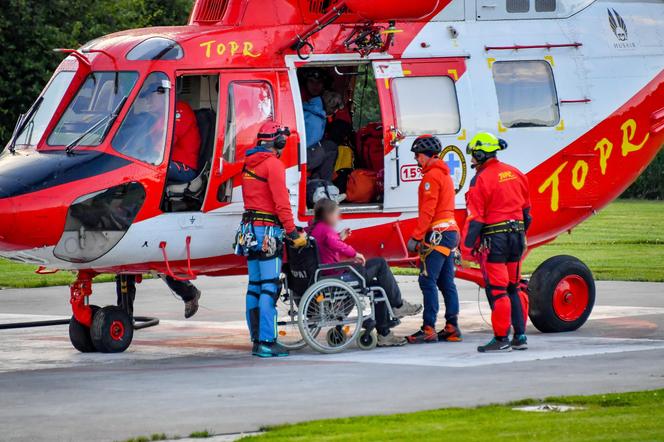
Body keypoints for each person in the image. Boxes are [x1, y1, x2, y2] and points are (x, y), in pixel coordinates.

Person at [236, 121, 307, 358]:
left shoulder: (249, 164)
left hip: (249, 230)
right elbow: (281, 204)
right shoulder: (273, 165)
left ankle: (256, 339)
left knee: (254, 286)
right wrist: (293, 232)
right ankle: (267, 341)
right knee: (269, 286)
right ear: (278, 142)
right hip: (268, 232)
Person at [308, 199, 422, 346]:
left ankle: (384, 333)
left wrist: (340, 236)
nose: (339, 218)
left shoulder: (313, 228)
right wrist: (354, 254)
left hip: (327, 274)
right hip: (337, 276)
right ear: (328, 215)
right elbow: (335, 244)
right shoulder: (326, 230)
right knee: (380, 263)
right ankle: (398, 306)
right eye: (337, 214)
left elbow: (327, 245)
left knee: (378, 288)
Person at [462, 132, 532, 353]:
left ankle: (501, 338)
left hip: (496, 240)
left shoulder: (480, 179)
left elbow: (475, 220)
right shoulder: (516, 173)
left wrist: (465, 249)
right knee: (514, 286)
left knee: (498, 291)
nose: (472, 159)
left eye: (474, 154)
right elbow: (527, 213)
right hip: (517, 236)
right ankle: (520, 336)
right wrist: (520, 235)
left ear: (481, 153)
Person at [405, 135, 462, 344]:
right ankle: (452, 327)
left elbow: (428, 211)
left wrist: (416, 236)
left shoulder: (431, 177)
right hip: (450, 232)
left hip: (437, 234)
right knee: (447, 282)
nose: (416, 160)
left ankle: (428, 328)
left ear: (427, 156)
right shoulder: (444, 175)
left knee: (427, 280)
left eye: (418, 156)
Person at [168, 101, 201, 183]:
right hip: (169, 163)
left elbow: (167, 143)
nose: (147, 100)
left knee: (147, 170)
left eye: (150, 96)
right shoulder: (160, 116)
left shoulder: (179, 109)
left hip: (184, 168)